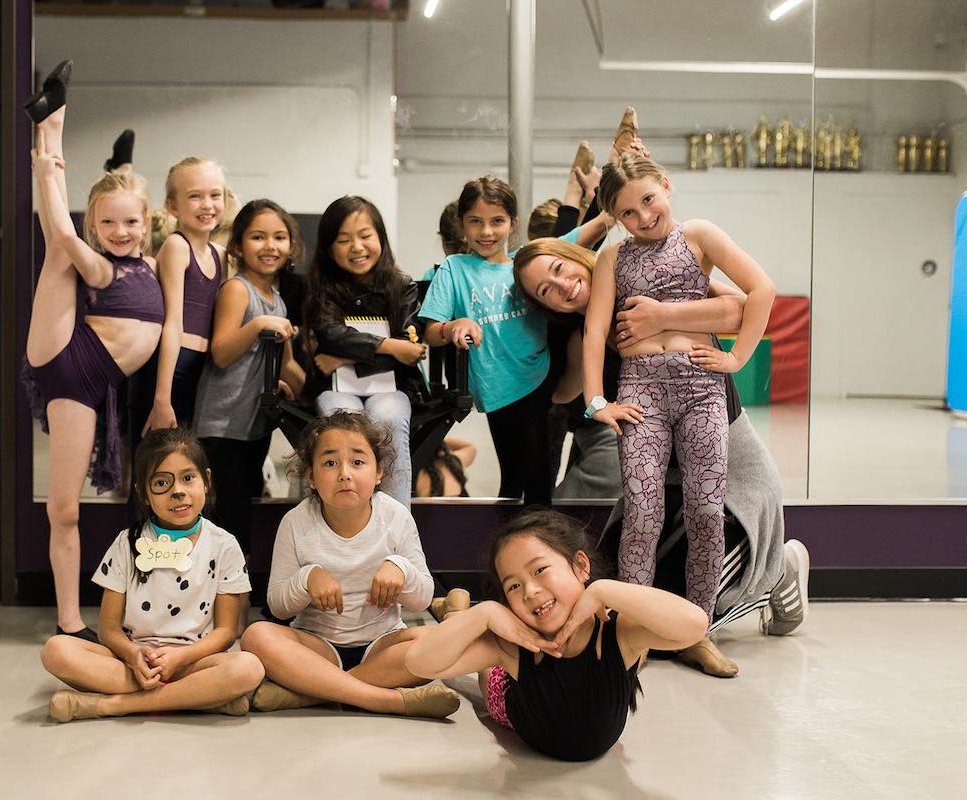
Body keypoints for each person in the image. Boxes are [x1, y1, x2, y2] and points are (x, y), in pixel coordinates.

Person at [584, 151, 777, 627]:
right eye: (628, 212)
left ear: (665, 186)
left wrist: (736, 358)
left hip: (700, 388)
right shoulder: (612, 256)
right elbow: (594, 332)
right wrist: (596, 402)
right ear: (616, 217)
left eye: (649, 200)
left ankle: (697, 628)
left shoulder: (698, 236)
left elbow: (762, 290)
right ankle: (633, 631)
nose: (644, 217)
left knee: (707, 513)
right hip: (641, 392)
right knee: (643, 515)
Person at [21, 61, 165, 641]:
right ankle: (49, 130)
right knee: (65, 508)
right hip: (68, 365)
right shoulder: (101, 263)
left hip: (95, 373)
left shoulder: (150, 261)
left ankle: (96, 154)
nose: (121, 230)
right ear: (96, 223)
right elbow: (64, 234)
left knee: (81, 229)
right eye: (108, 222)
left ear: (147, 221)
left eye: (131, 222)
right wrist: (47, 162)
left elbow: (126, 210)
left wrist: (121, 176)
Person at [405, 508, 708, 761]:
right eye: (513, 586)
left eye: (539, 570)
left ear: (580, 566)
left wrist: (604, 589)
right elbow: (420, 663)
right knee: (489, 674)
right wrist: (483, 613)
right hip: (512, 702)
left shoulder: (617, 633)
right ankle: (458, 613)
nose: (531, 591)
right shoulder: (511, 645)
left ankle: (453, 611)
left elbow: (695, 625)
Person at [240, 411, 461, 719]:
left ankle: (310, 695)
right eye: (330, 463)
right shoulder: (296, 522)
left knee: (441, 642)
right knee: (256, 635)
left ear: (379, 471)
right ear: (311, 476)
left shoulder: (395, 516)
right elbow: (278, 607)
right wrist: (307, 578)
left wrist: (400, 567)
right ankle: (384, 700)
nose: (344, 473)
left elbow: (422, 598)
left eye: (358, 462)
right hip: (317, 648)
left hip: (383, 647)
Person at [38, 427, 262, 722]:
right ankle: (199, 698)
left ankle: (113, 705)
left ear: (206, 481)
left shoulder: (224, 545)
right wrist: (132, 655)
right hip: (134, 662)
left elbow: (225, 632)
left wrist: (181, 657)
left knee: (248, 667)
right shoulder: (126, 543)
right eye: (161, 483)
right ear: (143, 493)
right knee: (56, 650)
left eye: (188, 478)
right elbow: (108, 630)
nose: (178, 491)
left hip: (194, 661)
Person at [418, 176, 611, 505]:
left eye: (497, 221)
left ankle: (540, 535)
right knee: (512, 478)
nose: (486, 232)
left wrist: (616, 184)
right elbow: (429, 332)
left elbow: (591, 231)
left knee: (536, 478)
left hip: (538, 379)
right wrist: (452, 327)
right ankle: (519, 539)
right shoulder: (454, 268)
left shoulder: (525, 263)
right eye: (475, 222)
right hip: (496, 389)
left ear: (513, 223)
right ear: (462, 226)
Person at [192, 199, 306, 552]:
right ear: (239, 246)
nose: (270, 246)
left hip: (253, 427)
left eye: (279, 237)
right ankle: (223, 603)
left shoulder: (277, 300)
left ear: (290, 247)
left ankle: (236, 601)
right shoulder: (237, 290)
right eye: (258, 237)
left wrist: (288, 381)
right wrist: (258, 325)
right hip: (222, 427)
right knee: (226, 521)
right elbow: (222, 353)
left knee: (244, 513)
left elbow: (289, 368)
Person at [304, 196, 427, 506]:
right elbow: (331, 334)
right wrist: (389, 346)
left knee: (387, 416)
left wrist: (343, 357)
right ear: (329, 248)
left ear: (381, 238)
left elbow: (411, 350)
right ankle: (341, 519)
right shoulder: (322, 289)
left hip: (394, 386)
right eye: (343, 239)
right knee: (341, 423)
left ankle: (397, 527)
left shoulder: (403, 287)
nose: (356, 247)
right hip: (333, 387)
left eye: (365, 235)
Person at [126, 156, 228, 523]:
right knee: (153, 466)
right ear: (173, 206)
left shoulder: (220, 254)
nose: (207, 205)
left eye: (214, 195)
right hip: (169, 368)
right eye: (195, 196)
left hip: (199, 371)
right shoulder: (176, 246)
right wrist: (161, 398)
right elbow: (172, 324)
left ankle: (181, 552)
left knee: (185, 468)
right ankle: (139, 556)